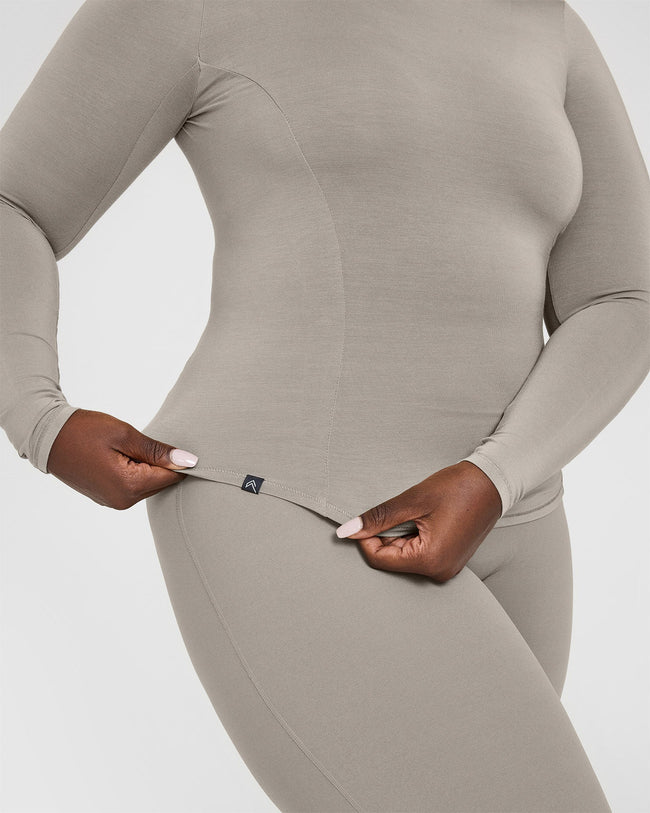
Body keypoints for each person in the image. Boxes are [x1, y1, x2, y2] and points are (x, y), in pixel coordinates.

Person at [1, 1, 648, 810]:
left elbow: (622, 296)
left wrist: (498, 475)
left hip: (515, 517)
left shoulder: (543, 21)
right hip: (297, 504)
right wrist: (36, 415)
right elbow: (16, 200)